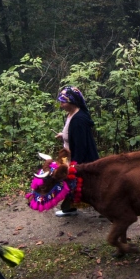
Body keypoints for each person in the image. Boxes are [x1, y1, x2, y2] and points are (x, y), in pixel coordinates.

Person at [54, 86, 99, 217]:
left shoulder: (79, 120)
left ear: (72, 101)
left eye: (64, 101)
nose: (61, 104)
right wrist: (63, 135)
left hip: (80, 158)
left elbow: (81, 145)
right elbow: (74, 134)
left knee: (85, 185)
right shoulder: (71, 115)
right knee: (74, 185)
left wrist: (74, 165)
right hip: (71, 155)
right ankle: (69, 208)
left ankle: (111, 209)